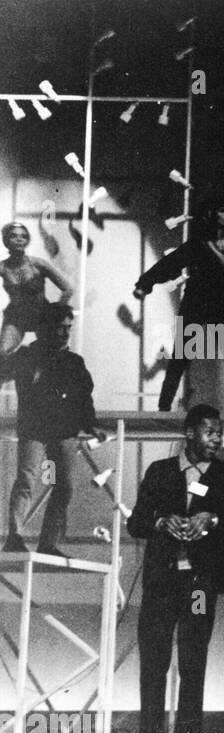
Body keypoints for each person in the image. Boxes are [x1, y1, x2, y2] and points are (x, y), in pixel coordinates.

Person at [124, 405, 224, 733]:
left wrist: (211, 519)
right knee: (153, 664)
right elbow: (136, 523)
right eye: (210, 432)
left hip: (199, 586)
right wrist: (163, 520)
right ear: (190, 432)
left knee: (193, 662)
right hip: (162, 583)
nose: (216, 439)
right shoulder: (160, 471)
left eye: (219, 432)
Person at [133, 198, 224, 413]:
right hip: (195, 306)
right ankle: (164, 407)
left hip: (220, 308)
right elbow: (170, 263)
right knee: (180, 358)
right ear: (212, 214)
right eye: (223, 210)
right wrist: (144, 284)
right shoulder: (199, 245)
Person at [2, 303, 106, 555]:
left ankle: (48, 543)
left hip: (62, 430)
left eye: (68, 328)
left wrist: (90, 424)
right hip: (36, 428)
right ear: (46, 329)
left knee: (62, 485)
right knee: (27, 479)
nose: (65, 333)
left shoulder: (73, 361)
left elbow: (84, 397)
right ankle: (16, 537)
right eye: (60, 327)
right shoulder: (27, 356)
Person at [1, 221, 73, 357]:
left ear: (27, 240)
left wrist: (56, 313)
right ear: (6, 240)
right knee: (2, 353)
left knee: (49, 358)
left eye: (23, 236)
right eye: (13, 236)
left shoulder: (38, 264)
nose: (19, 239)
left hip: (42, 316)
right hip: (17, 317)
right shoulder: (3, 267)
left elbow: (68, 289)